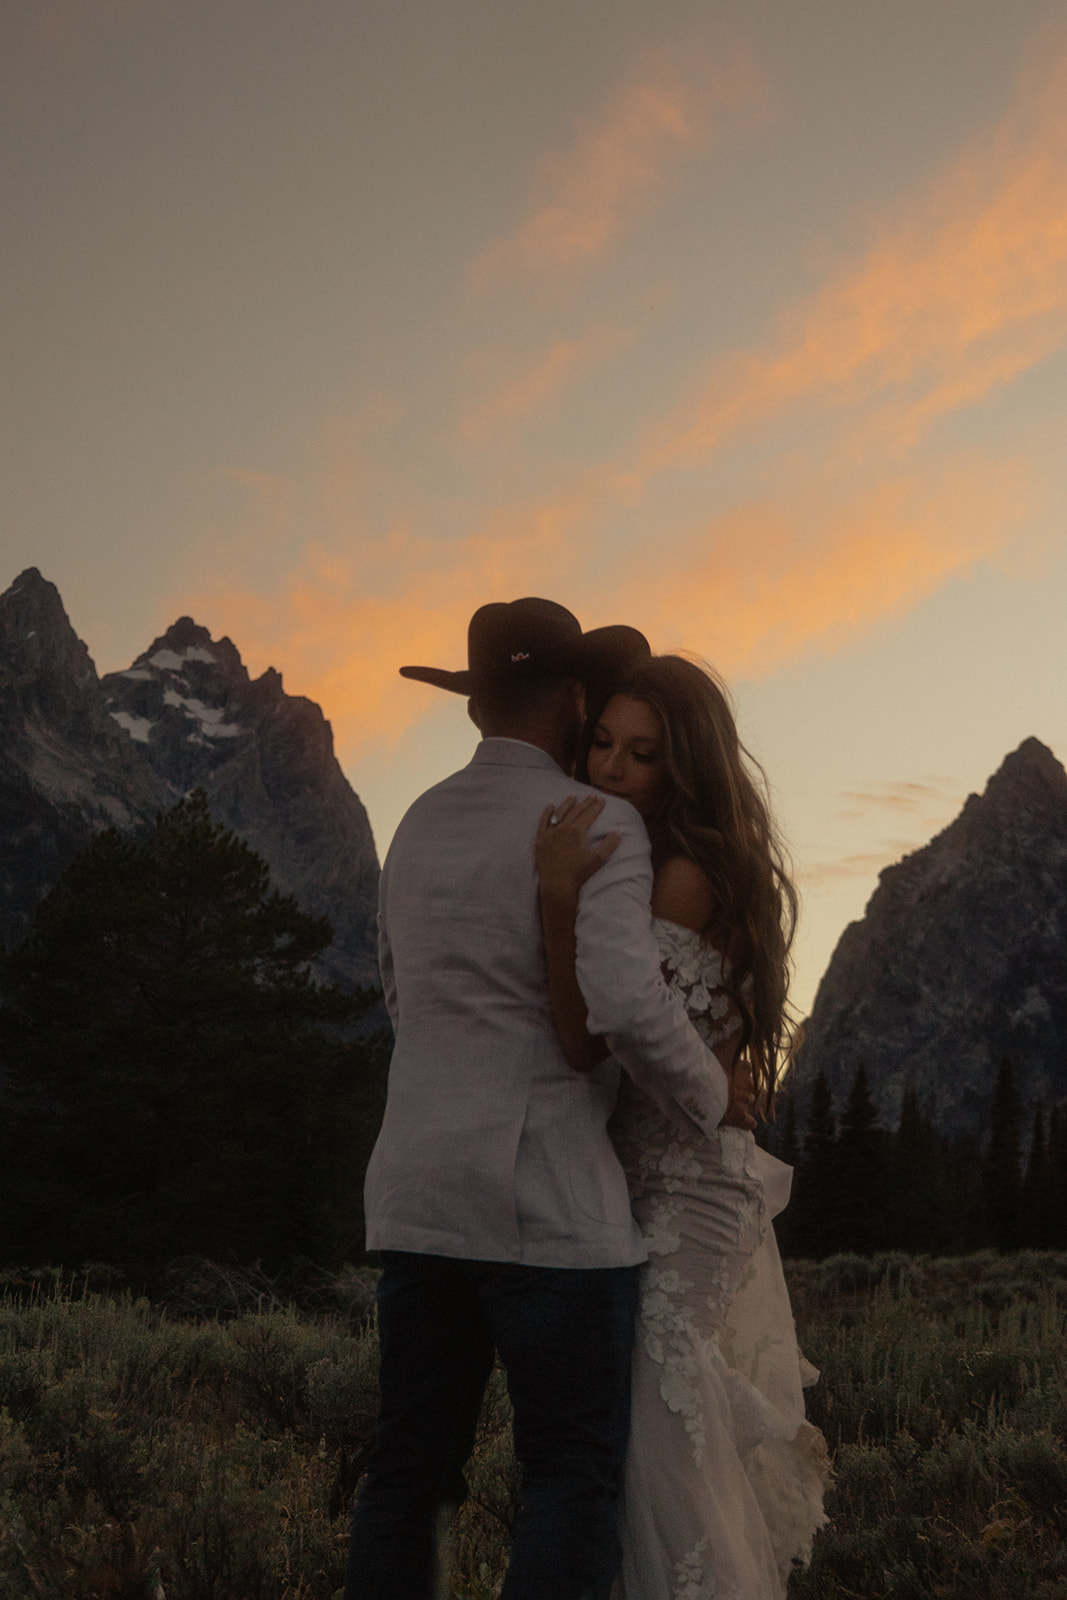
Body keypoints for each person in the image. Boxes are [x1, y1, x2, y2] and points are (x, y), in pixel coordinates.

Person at [345, 601, 754, 1600]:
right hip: (550, 1212)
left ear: (476, 702)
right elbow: (620, 998)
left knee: (406, 1474)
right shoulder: (596, 821)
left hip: (417, 1200)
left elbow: (402, 994)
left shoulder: (417, 819)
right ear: (573, 701)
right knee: (566, 1479)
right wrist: (713, 1097)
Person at [535, 653, 830, 1600]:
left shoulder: (678, 879)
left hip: (680, 1190)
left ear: (684, 766)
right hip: (673, 1182)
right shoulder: (682, 867)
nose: (612, 770)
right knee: (661, 1423)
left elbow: (609, 1031)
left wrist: (553, 901)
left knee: (660, 1432)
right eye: (602, 745)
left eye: (643, 754)